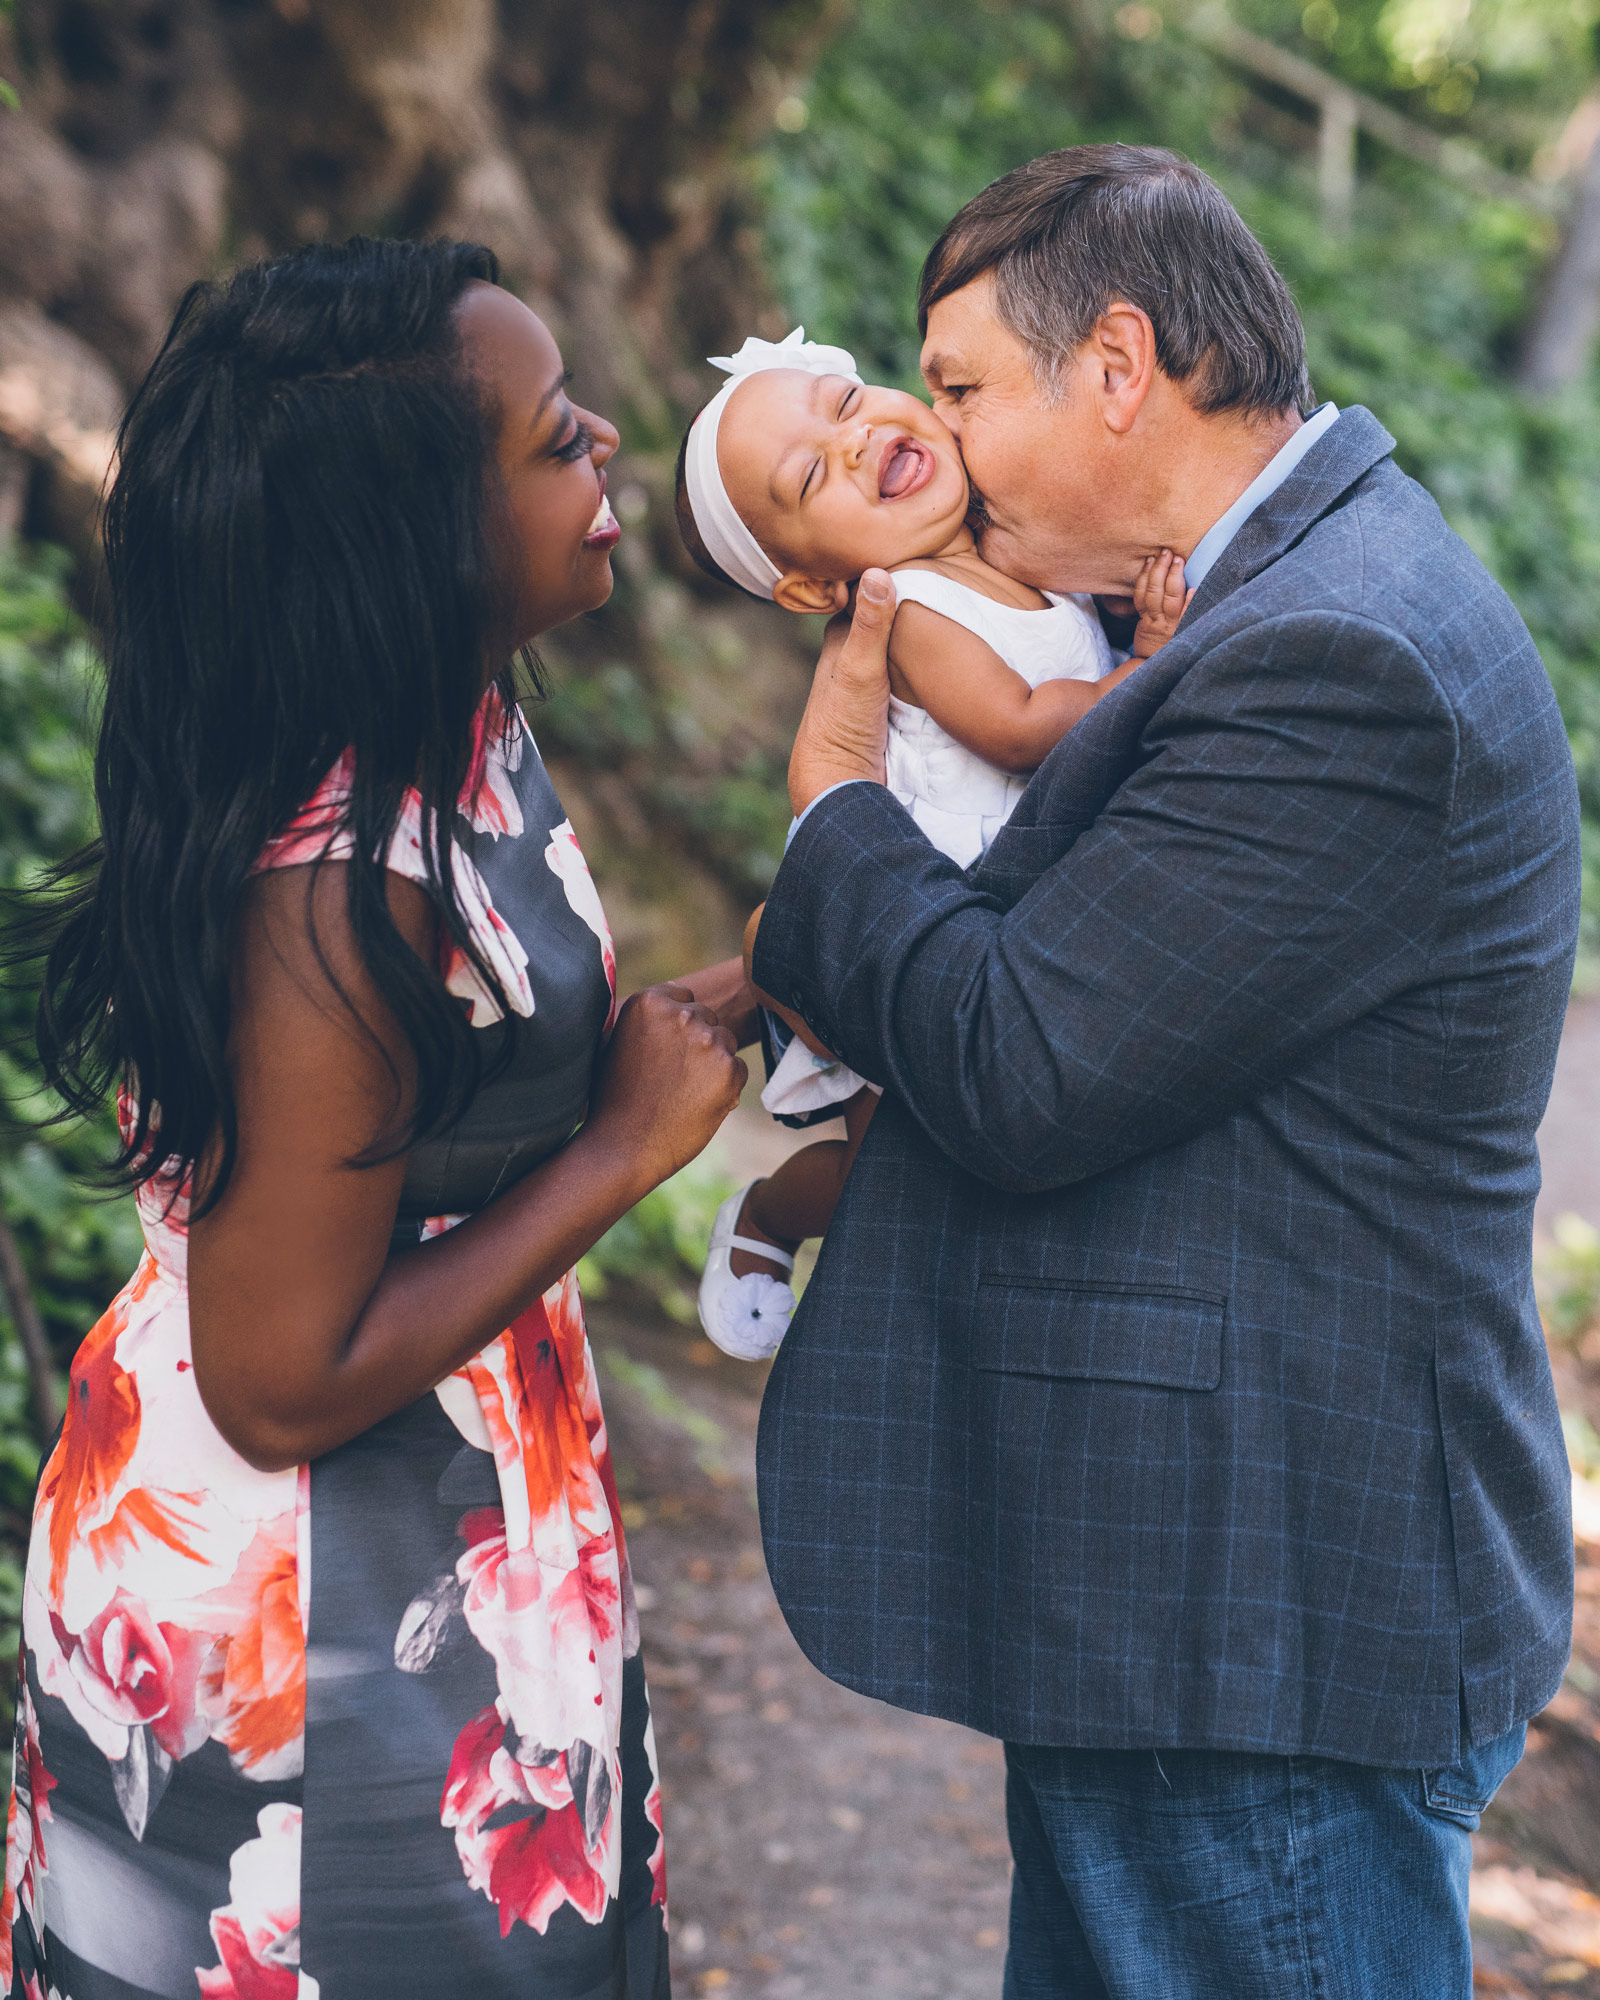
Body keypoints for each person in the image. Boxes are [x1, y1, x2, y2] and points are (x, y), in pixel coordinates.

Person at [747, 145, 1582, 1997]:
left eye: (962, 389)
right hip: (1195, 1598)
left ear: (1118, 365)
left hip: (1255, 1616)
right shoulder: (1256, 606)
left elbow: (1025, 1058)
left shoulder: (1335, 658)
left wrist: (831, 817)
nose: (941, 445)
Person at [3, 238, 749, 2000]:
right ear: (419, 533)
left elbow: (488, 1100)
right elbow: (279, 1377)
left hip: (448, 1522)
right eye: (555, 440)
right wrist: (624, 1160)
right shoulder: (325, 891)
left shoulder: (458, 725)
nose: (610, 454)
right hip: (303, 1604)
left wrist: (782, 980)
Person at [672, 328, 1189, 1358]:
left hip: (1013, 926)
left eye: (847, 400)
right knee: (882, 1176)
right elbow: (1023, 722)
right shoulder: (908, 608)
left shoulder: (1017, 545)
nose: (859, 438)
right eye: (814, 471)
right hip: (913, 934)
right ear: (817, 587)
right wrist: (1153, 658)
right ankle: (773, 1214)